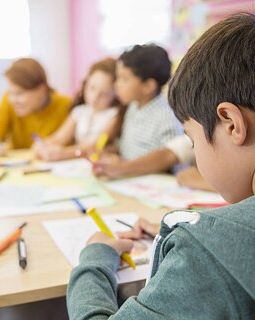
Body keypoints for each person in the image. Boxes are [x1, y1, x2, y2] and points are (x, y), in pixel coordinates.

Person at [67, 12, 255, 319]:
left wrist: (93, 262)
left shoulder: (206, 255)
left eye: (193, 141)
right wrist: (198, 222)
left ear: (232, 125)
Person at [92, 44, 180, 178]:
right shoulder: (133, 107)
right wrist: (109, 154)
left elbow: (171, 159)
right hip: (129, 179)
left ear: (148, 86)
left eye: (124, 79)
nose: (117, 84)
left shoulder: (166, 118)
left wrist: (123, 168)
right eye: (118, 77)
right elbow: (127, 147)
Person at [33, 58, 123, 161]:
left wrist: (63, 153)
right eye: (92, 88)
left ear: (115, 95)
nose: (95, 96)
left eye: (104, 94)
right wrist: (43, 145)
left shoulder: (114, 115)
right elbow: (59, 138)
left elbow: (96, 145)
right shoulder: (79, 112)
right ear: (85, 84)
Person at [0, 58, 71, 157]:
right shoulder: (7, 100)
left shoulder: (66, 106)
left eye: (19, 93)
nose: (13, 100)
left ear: (41, 90)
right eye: (10, 92)